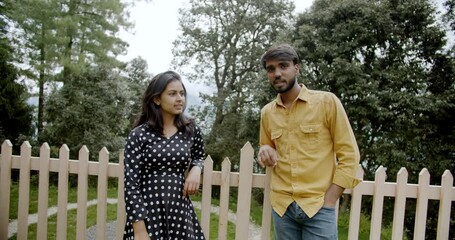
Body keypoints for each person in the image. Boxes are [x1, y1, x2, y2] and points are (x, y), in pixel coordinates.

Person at [257, 44, 361, 240]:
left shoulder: (326, 102)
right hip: (283, 208)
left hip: (318, 207)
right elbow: (267, 146)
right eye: (271, 69)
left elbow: (349, 154)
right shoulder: (267, 113)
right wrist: (264, 149)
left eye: (283, 66)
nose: (277, 73)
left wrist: (330, 200)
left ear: (297, 67)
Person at [123, 70, 205, 240]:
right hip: (147, 216)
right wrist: (139, 230)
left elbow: (199, 155)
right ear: (157, 99)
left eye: (182, 94)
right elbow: (131, 185)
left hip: (180, 213)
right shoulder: (139, 135)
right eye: (172, 94)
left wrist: (196, 169)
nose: (180, 98)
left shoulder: (190, 129)